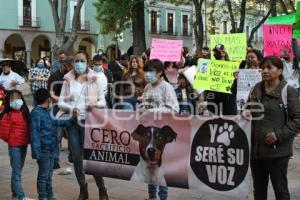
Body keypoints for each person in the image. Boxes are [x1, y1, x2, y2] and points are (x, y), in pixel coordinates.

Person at [246, 56, 300, 200]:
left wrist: (278, 135)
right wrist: (246, 112)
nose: (265, 71)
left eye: (270, 68)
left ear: (280, 70)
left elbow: (298, 120)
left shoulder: (288, 91)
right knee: (259, 191)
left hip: (277, 153)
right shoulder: (255, 89)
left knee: (280, 190)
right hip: (256, 152)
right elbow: (247, 109)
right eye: (263, 68)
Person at [58, 51, 109, 200]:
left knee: (92, 158)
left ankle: (102, 188)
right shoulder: (68, 79)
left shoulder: (95, 78)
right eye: (76, 61)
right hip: (73, 123)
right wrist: (70, 109)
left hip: (90, 122)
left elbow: (103, 101)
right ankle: (83, 188)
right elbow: (61, 102)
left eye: (82, 61)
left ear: (87, 62)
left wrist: (94, 103)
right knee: (77, 157)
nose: (79, 63)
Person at [139, 59, 179, 200]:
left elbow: (174, 108)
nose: (147, 75)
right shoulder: (147, 87)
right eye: (146, 72)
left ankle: (163, 197)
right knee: (150, 168)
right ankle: (152, 196)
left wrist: (153, 111)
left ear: (160, 72)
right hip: (148, 133)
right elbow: (145, 106)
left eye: (151, 72)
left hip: (160, 135)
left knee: (160, 169)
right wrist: (141, 109)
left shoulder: (166, 87)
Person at [31, 88, 74, 200]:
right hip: (43, 150)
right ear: (47, 99)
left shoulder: (47, 112)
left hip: (51, 149)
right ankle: (43, 197)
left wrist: (72, 119)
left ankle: (50, 196)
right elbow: (34, 133)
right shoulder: (36, 113)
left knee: (49, 175)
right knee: (43, 176)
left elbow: (57, 121)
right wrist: (36, 152)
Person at [0, 90, 34, 200]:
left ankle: (15, 195)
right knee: (16, 171)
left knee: (17, 171)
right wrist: (12, 139)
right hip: (14, 146)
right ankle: (20, 196)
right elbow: (3, 133)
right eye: (12, 99)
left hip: (23, 145)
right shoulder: (7, 115)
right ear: (8, 101)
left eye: (18, 98)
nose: (16, 101)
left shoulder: (24, 113)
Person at [47, 57, 74, 169]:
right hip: (57, 108)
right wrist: (62, 100)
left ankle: (72, 158)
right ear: (63, 65)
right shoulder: (54, 77)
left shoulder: (73, 76)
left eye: (71, 68)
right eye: (67, 67)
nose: (69, 69)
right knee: (57, 136)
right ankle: (55, 160)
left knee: (72, 135)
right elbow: (51, 94)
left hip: (71, 109)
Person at [205, 44, 237, 115]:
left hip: (228, 100)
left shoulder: (232, 66)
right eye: (215, 52)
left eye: (217, 52)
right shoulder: (210, 66)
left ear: (223, 53)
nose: (215, 54)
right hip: (214, 99)